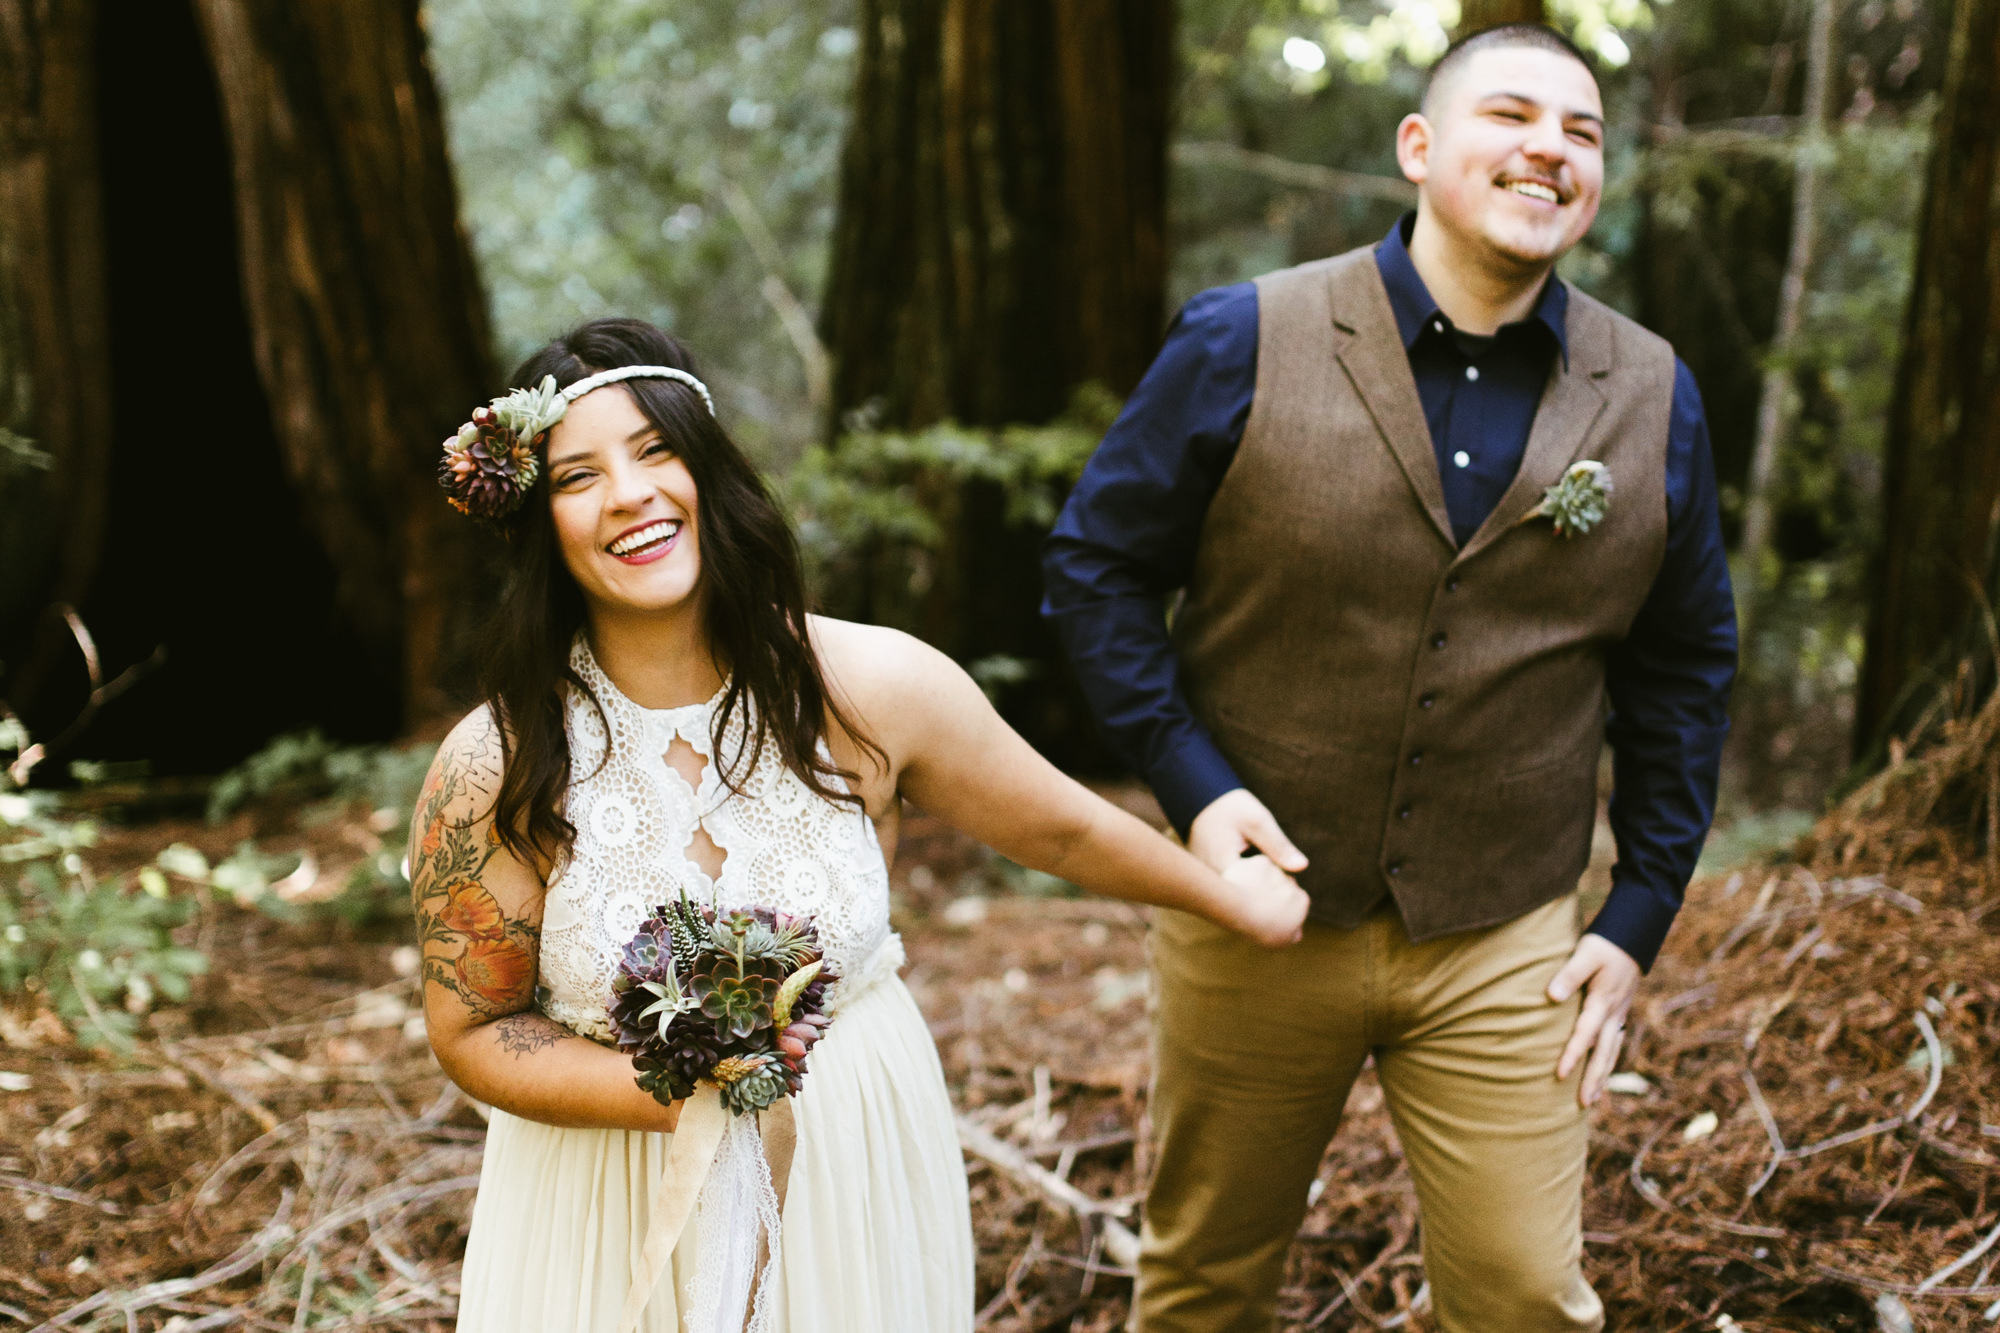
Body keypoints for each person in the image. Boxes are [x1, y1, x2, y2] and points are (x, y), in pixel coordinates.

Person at [411, 317, 1310, 1333]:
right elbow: (474, 1029)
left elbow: (1058, 829)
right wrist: (680, 1092)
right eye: (577, 476)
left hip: (854, 1159)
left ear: (708, 470)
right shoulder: (500, 761)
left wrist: (1223, 895)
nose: (629, 493)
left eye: (656, 450)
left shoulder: (869, 686)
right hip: (603, 1191)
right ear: (539, 520)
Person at [1043, 24, 1737, 1333]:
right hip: (1256, 910)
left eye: (1582, 132)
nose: (1549, 148)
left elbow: (1685, 661)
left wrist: (1639, 908)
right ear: (1420, 149)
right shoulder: (1244, 334)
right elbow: (1096, 569)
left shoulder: (1654, 392)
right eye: (1512, 116)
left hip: (1507, 931)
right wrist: (1194, 790)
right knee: (1202, 1285)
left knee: (1530, 1295)